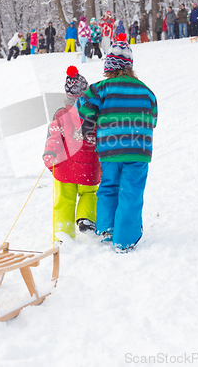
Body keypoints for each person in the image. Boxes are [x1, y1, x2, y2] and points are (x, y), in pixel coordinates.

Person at [76, 33, 157, 253]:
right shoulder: (146, 91)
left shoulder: (100, 89)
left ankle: (106, 229)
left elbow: (83, 108)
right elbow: (154, 118)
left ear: (108, 67)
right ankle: (125, 239)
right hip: (138, 151)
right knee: (131, 192)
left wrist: (91, 120)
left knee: (109, 186)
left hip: (110, 150)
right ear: (130, 67)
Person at [43, 66, 100, 241]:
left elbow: (54, 137)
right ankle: (86, 219)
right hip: (88, 167)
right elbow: (101, 138)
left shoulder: (60, 114)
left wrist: (49, 153)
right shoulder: (95, 114)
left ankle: (62, 233)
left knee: (64, 200)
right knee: (89, 193)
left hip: (64, 167)